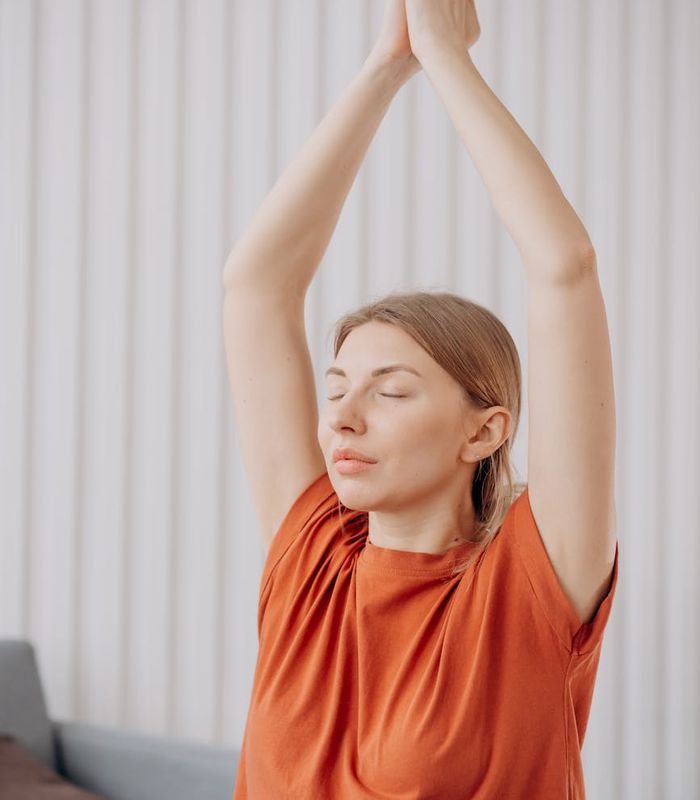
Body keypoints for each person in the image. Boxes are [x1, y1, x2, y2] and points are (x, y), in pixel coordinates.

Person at [222, 1, 619, 797]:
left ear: (486, 430)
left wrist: (445, 56)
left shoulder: (530, 585)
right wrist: (386, 65)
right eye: (337, 389)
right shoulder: (311, 559)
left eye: (391, 390)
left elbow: (565, 265)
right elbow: (256, 286)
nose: (342, 416)